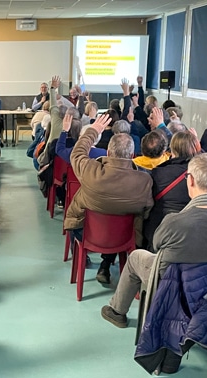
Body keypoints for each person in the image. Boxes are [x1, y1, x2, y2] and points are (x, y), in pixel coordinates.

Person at [101, 148, 207, 330]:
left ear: (190, 180)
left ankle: (117, 312)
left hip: (173, 286)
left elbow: (157, 244)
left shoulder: (174, 222)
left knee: (136, 257)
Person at [63, 114, 153, 284]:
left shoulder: (90, 170)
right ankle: (106, 263)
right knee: (121, 221)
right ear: (133, 154)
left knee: (91, 220)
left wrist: (93, 131)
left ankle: (98, 262)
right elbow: (147, 210)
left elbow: (77, 153)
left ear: (109, 152)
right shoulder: (144, 181)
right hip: (126, 237)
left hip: (87, 233)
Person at [142, 130, 198, 249]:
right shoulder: (200, 173)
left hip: (160, 228)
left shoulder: (158, 173)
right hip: (191, 231)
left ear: (171, 149)